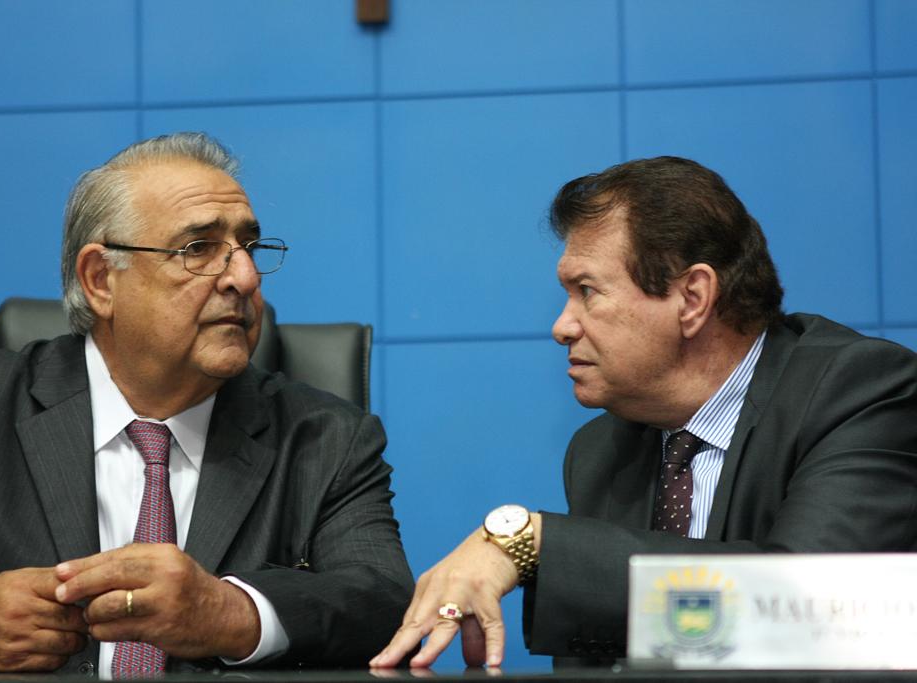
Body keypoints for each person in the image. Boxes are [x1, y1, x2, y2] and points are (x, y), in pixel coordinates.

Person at [0, 132, 413, 675]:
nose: (244, 277)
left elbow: (384, 602)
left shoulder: (326, 437)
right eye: (199, 248)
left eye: (249, 248)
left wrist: (233, 613)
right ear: (100, 280)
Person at [371, 156, 917, 669]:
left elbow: (811, 608)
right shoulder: (599, 451)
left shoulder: (860, 391)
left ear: (692, 298)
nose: (562, 326)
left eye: (588, 291)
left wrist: (533, 542)